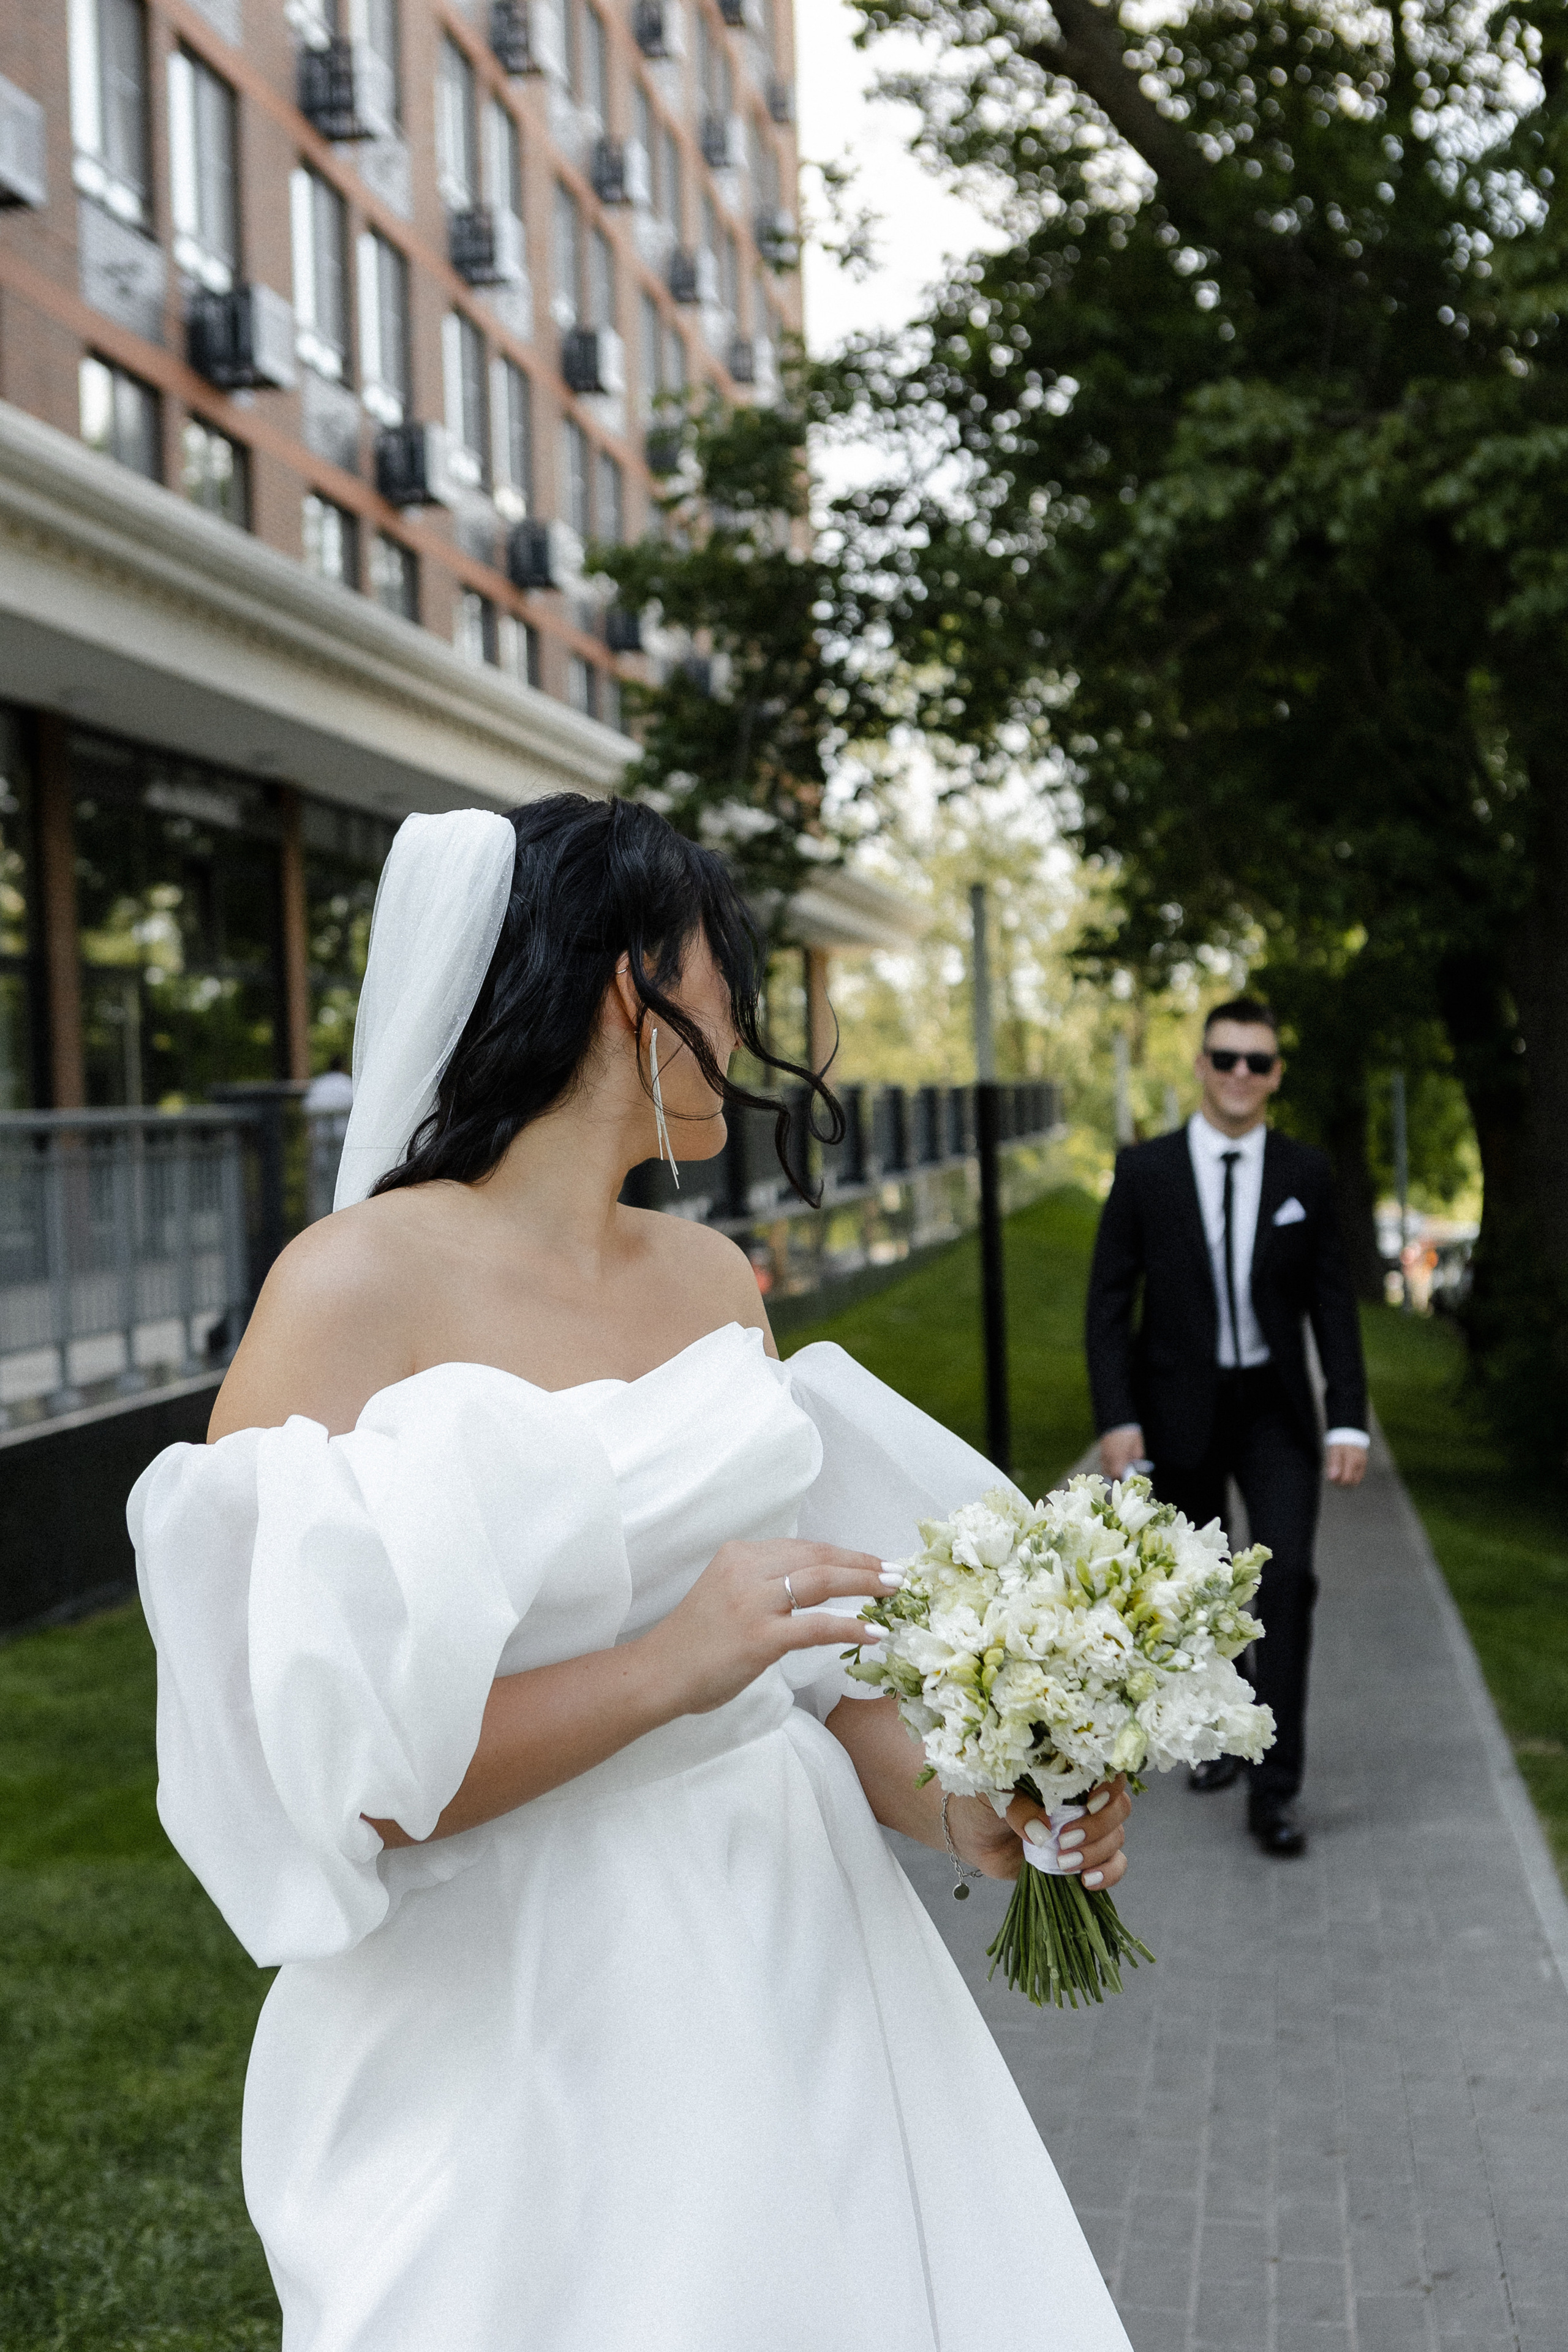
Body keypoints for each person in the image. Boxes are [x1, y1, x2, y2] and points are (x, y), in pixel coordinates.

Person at [130, 796, 1138, 2352]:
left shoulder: (712, 1280)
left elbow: (806, 1677)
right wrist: (667, 1667)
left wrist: (975, 1808)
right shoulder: (351, 1287)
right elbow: (332, 1781)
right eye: (723, 969)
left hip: (798, 1947)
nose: (742, 1022)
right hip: (517, 2007)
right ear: (633, 984)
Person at [1084, 997, 1370, 1860]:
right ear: (1202, 1065)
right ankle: (1223, 1730)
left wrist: (1348, 1420)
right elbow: (1108, 1301)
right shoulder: (1147, 1170)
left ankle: (1274, 1792)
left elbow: (1333, 1300)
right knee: (1201, 1598)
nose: (1241, 1073)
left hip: (1275, 1412)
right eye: (1226, 1057)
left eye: (1258, 1061)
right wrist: (1117, 1418)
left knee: (1285, 1584)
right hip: (1178, 1409)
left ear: (1275, 1075)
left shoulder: (1305, 1172)